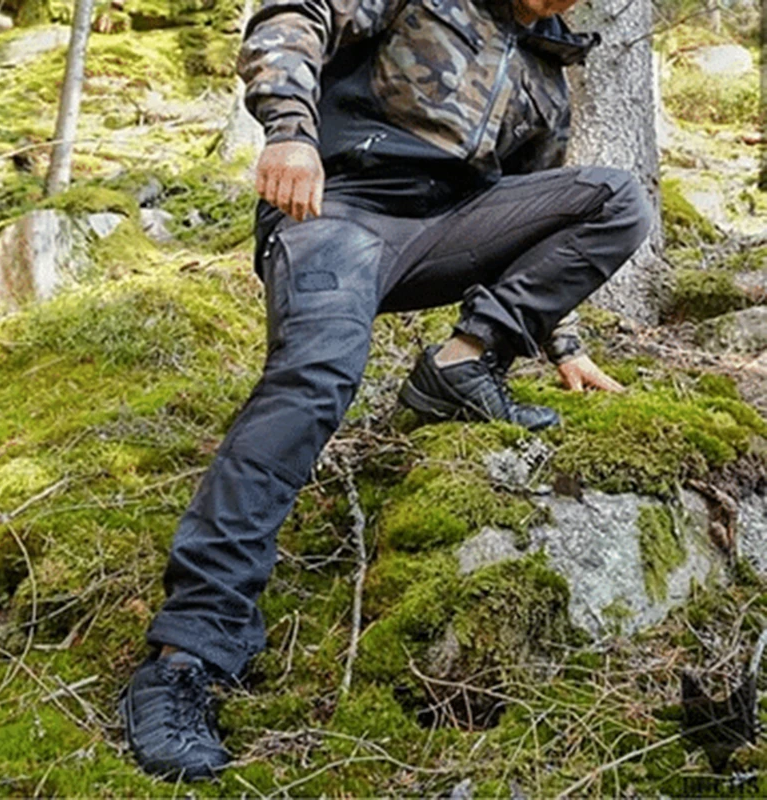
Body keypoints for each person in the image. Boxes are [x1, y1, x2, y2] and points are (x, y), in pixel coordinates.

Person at [119, 0, 653, 780]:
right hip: (336, 209)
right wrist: (290, 132)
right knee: (317, 376)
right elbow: (294, 15)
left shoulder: (547, 76)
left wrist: (560, 342)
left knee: (617, 198)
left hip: (446, 231)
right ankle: (185, 654)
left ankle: (462, 364)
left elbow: (543, 206)